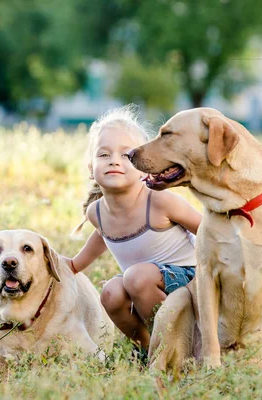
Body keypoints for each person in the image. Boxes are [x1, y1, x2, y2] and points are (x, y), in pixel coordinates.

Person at [65, 105, 202, 351]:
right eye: (103, 155)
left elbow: (206, 229)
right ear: (90, 168)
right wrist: (73, 265)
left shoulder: (159, 200)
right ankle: (149, 349)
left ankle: (180, 345)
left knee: (136, 277)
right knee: (111, 293)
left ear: (144, 165)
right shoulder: (96, 212)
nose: (114, 161)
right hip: (143, 282)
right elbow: (102, 236)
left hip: (190, 281)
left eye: (126, 155)